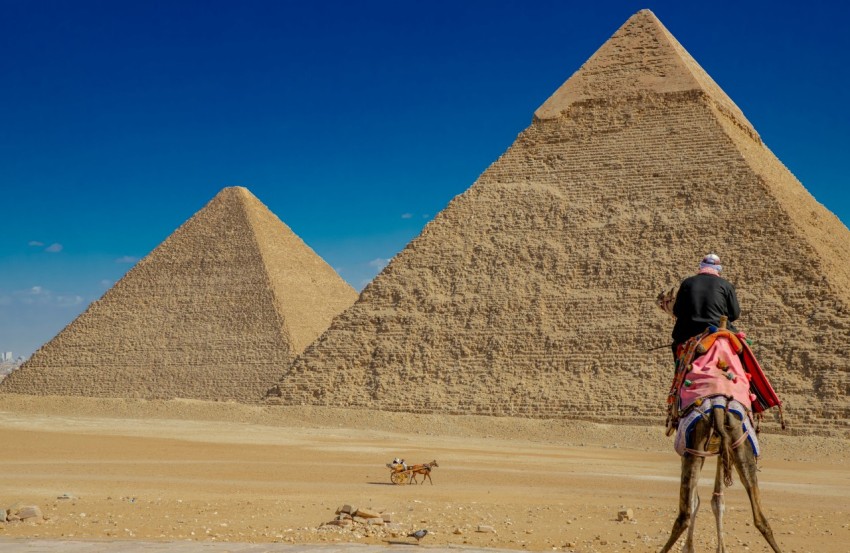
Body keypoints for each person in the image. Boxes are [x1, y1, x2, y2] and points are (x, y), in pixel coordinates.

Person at [670, 253, 740, 361]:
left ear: (701, 266)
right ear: (718, 269)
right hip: (716, 329)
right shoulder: (726, 285)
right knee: (742, 348)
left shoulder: (687, 283)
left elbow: (677, 311)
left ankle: (679, 374)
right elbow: (734, 314)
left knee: (676, 346)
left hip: (688, 333)